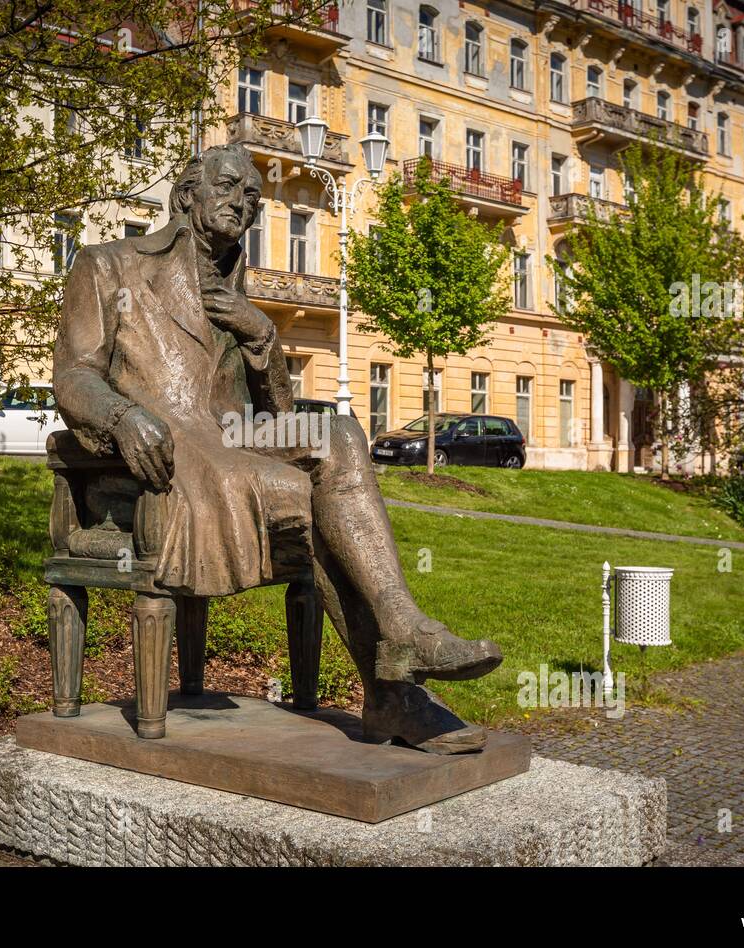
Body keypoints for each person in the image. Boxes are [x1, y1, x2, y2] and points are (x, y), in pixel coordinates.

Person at [53, 144, 502, 752]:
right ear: (187, 195)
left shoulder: (235, 291)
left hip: (234, 443)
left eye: (254, 198)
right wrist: (124, 415)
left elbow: (278, 420)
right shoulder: (109, 266)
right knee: (308, 498)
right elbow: (74, 377)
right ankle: (392, 696)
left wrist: (260, 334)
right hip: (159, 459)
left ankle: (403, 626)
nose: (243, 202)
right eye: (230, 187)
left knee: (340, 433)